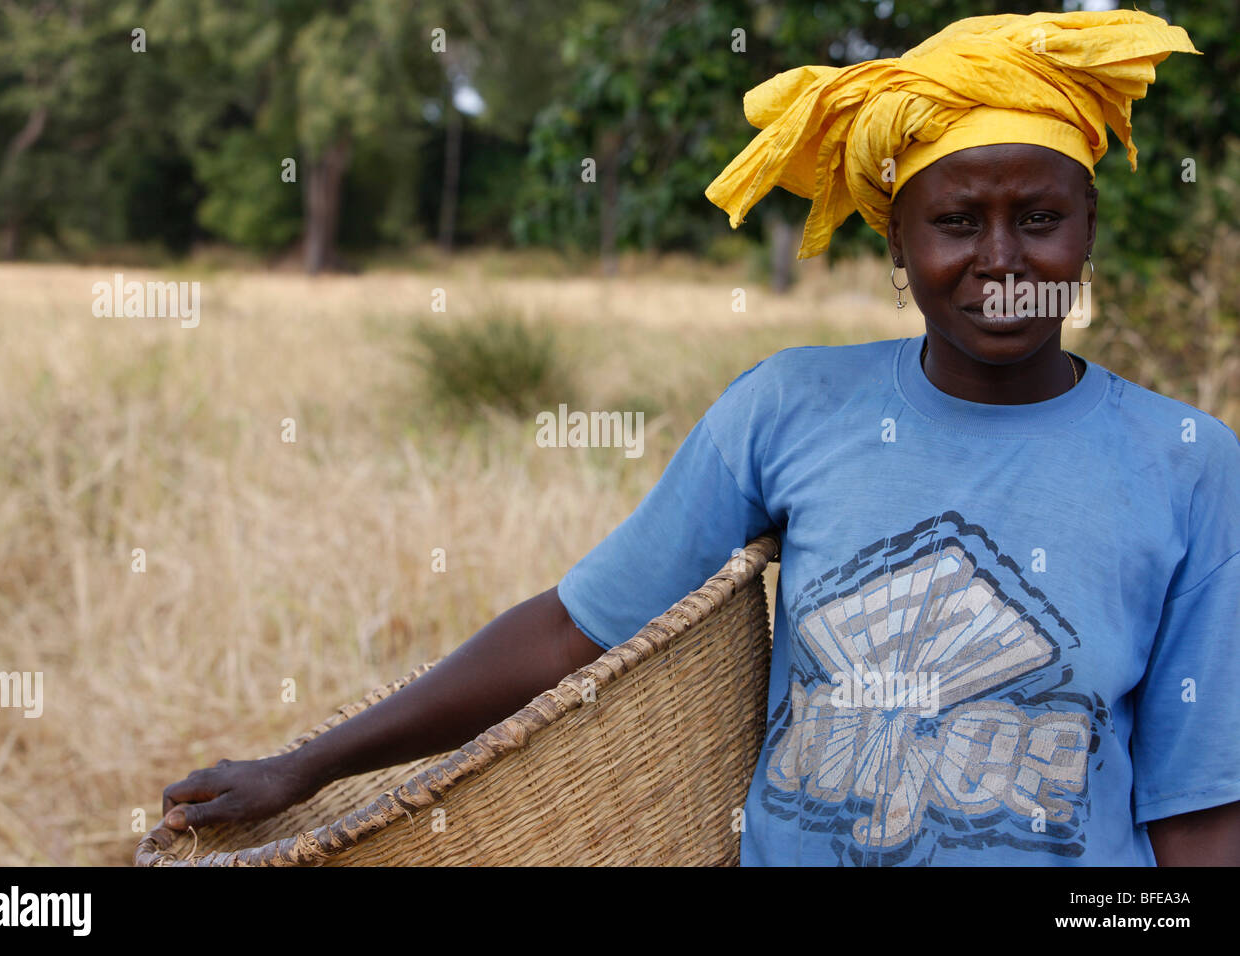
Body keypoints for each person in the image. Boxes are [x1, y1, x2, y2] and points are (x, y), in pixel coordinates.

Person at [160, 9, 1239, 865]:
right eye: (955, 222)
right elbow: (575, 629)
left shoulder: (1188, 464)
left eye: (1039, 218)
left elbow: (1197, 799)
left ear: (1088, 226)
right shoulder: (789, 407)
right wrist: (304, 766)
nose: (999, 257)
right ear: (896, 245)